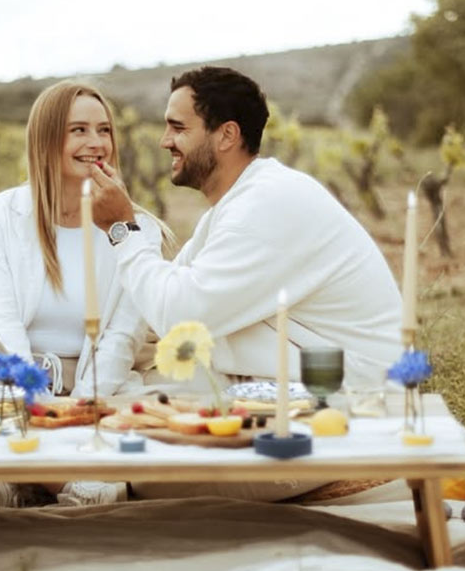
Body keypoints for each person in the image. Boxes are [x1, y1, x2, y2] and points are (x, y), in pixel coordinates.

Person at [89, 65, 403, 502]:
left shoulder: (267, 204)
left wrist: (124, 230)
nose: (164, 141)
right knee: (134, 411)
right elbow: (154, 308)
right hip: (279, 393)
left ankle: (81, 489)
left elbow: (179, 314)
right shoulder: (237, 204)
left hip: (344, 414)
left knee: (148, 452)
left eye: (178, 127)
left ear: (226, 135)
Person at [0, 80, 165, 400]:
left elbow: (122, 338)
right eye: (79, 130)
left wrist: (83, 405)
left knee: (193, 382)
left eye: (104, 130)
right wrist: (36, 399)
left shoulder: (137, 230)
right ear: (46, 139)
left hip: (99, 382)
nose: (96, 142)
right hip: (12, 376)